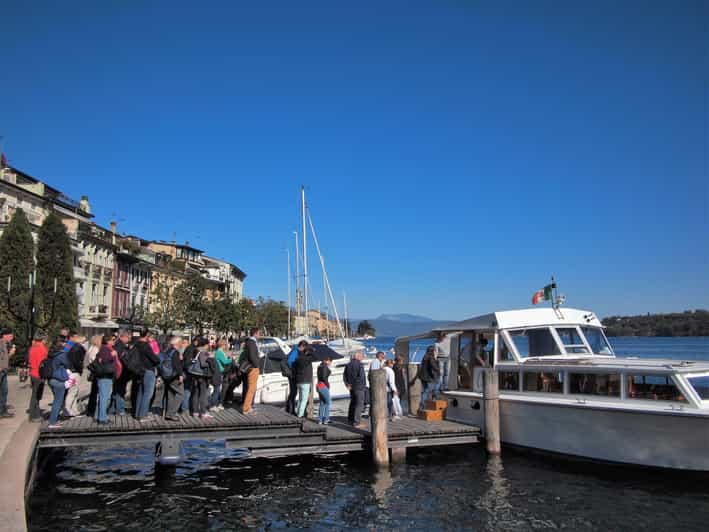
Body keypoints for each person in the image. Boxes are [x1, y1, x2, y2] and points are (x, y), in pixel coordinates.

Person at [134, 328, 160, 421]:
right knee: (148, 393)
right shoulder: (145, 345)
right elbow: (155, 359)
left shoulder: (136, 344)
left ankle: (138, 413)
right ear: (147, 335)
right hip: (148, 370)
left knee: (141, 392)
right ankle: (143, 415)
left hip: (139, 370)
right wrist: (158, 359)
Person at [92, 335, 117, 425]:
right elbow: (104, 360)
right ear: (108, 341)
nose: (114, 341)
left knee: (102, 397)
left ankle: (97, 415)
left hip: (104, 376)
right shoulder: (105, 349)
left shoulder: (104, 348)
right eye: (113, 340)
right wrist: (112, 355)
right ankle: (102, 418)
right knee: (105, 398)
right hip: (105, 376)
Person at [47, 339, 71, 428]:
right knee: (58, 401)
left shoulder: (50, 354)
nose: (66, 344)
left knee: (56, 400)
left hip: (51, 379)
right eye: (64, 343)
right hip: (59, 380)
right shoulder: (62, 355)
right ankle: (52, 422)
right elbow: (68, 364)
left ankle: (54, 420)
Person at [63, 333, 87, 417]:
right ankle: (68, 410)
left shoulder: (72, 347)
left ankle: (73, 410)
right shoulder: (78, 348)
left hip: (72, 371)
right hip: (74, 372)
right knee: (72, 392)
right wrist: (81, 368)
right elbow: (78, 362)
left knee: (74, 391)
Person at [188, 337, 213, 419]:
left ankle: (195, 412)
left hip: (195, 374)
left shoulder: (196, 350)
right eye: (208, 344)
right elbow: (203, 364)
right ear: (205, 344)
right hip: (202, 375)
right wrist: (210, 362)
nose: (208, 346)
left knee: (196, 393)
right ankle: (203, 412)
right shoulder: (203, 352)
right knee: (203, 394)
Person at [162, 335, 184, 421]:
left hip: (166, 375)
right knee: (181, 394)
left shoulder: (167, 350)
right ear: (178, 343)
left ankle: (168, 413)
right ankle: (171, 413)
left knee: (170, 394)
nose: (182, 344)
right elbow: (176, 365)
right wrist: (181, 375)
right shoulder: (175, 352)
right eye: (181, 342)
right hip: (173, 376)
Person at [27, 331, 48, 422]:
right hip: (39, 375)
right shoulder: (42, 348)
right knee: (36, 396)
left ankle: (35, 413)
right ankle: (34, 416)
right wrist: (44, 376)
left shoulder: (33, 347)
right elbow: (42, 364)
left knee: (35, 395)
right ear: (43, 339)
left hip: (33, 373)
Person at [110, 330, 132, 415]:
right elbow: (122, 359)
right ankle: (120, 409)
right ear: (122, 337)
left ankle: (113, 408)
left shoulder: (119, 345)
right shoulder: (120, 346)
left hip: (119, 372)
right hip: (121, 372)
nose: (129, 339)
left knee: (116, 390)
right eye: (128, 338)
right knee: (120, 390)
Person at [343, 351, 367, 429]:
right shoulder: (359, 365)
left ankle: (350, 419)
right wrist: (363, 386)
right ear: (357, 356)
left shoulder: (348, 364)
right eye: (361, 356)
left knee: (353, 403)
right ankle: (356, 423)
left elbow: (344, 376)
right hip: (359, 387)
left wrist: (347, 384)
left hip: (351, 387)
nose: (362, 357)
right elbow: (361, 377)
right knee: (359, 404)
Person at [241, 328, 261, 414]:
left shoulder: (249, 342)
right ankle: (246, 408)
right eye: (259, 333)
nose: (260, 335)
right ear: (255, 333)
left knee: (250, 388)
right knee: (251, 389)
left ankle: (247, 407)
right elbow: (252, 356)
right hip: (253, 368)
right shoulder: (252, 342)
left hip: (252, 367)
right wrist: (256, 365)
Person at [285, 340, 307, 414]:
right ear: (302, 346)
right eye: (304, 348)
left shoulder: (295, 350)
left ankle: (290, 409)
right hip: (292, 374)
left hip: (292, 374)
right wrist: (295, 368)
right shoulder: (295, 351)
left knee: (293, 392)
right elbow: (290, 361)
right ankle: (290, 410)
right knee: (293, 392)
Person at [210, 338, 232, 411]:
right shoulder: (219, 352)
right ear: (223, 345)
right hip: (219, 372)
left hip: (219, 371)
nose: (226, 346)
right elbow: (225, 362)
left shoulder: (219, 352)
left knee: (217, 389)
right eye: (225, 344)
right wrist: (231, 359)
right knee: (217, 390)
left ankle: (214, 404)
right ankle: (213, 405)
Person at [83, 335, 102, 417]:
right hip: (96, 373)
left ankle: (91, 410)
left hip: (93, 372)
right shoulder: (95, 350)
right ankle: (92, 411)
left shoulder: (91, 348)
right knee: (95, 393)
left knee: (93, 392)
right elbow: (95, 361)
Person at [294, 346, 315, 418]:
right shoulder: (307, 359)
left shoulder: (298, 359)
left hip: (299, 381)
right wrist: (312, 351)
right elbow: (314, 357)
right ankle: (300, 415)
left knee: (300, 399)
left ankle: (298, 413)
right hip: (305, 381)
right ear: (307, 352)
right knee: (304, 400)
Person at [181, 337, 200, 413]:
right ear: (196, 341)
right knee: (187, 390)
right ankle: (185, 408)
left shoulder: (191, 348)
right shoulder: (191, 349)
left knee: (188, 390)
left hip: (188, 371)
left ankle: (186, 407)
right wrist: (193, 361)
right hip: (188, 372)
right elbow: (187, 363)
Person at [0, 328, 15, 418]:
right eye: (10, 336)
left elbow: (4, 359)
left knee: (4, 391)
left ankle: (2, 410)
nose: (12, 338)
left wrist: (10, 354)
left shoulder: (5, 344)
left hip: (3, 371)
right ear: (5, 335)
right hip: (1, 371)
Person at [316, 356, 332, 424]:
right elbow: (324, 377)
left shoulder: (320, 366)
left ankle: (320, 420)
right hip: (323, 385)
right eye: (330, 362)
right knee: (328, 402)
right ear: (327, 360)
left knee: (322, 403)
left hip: (319, 385)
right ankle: (326, 419)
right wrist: (327, 385)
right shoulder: (324, 366)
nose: (330, 363)